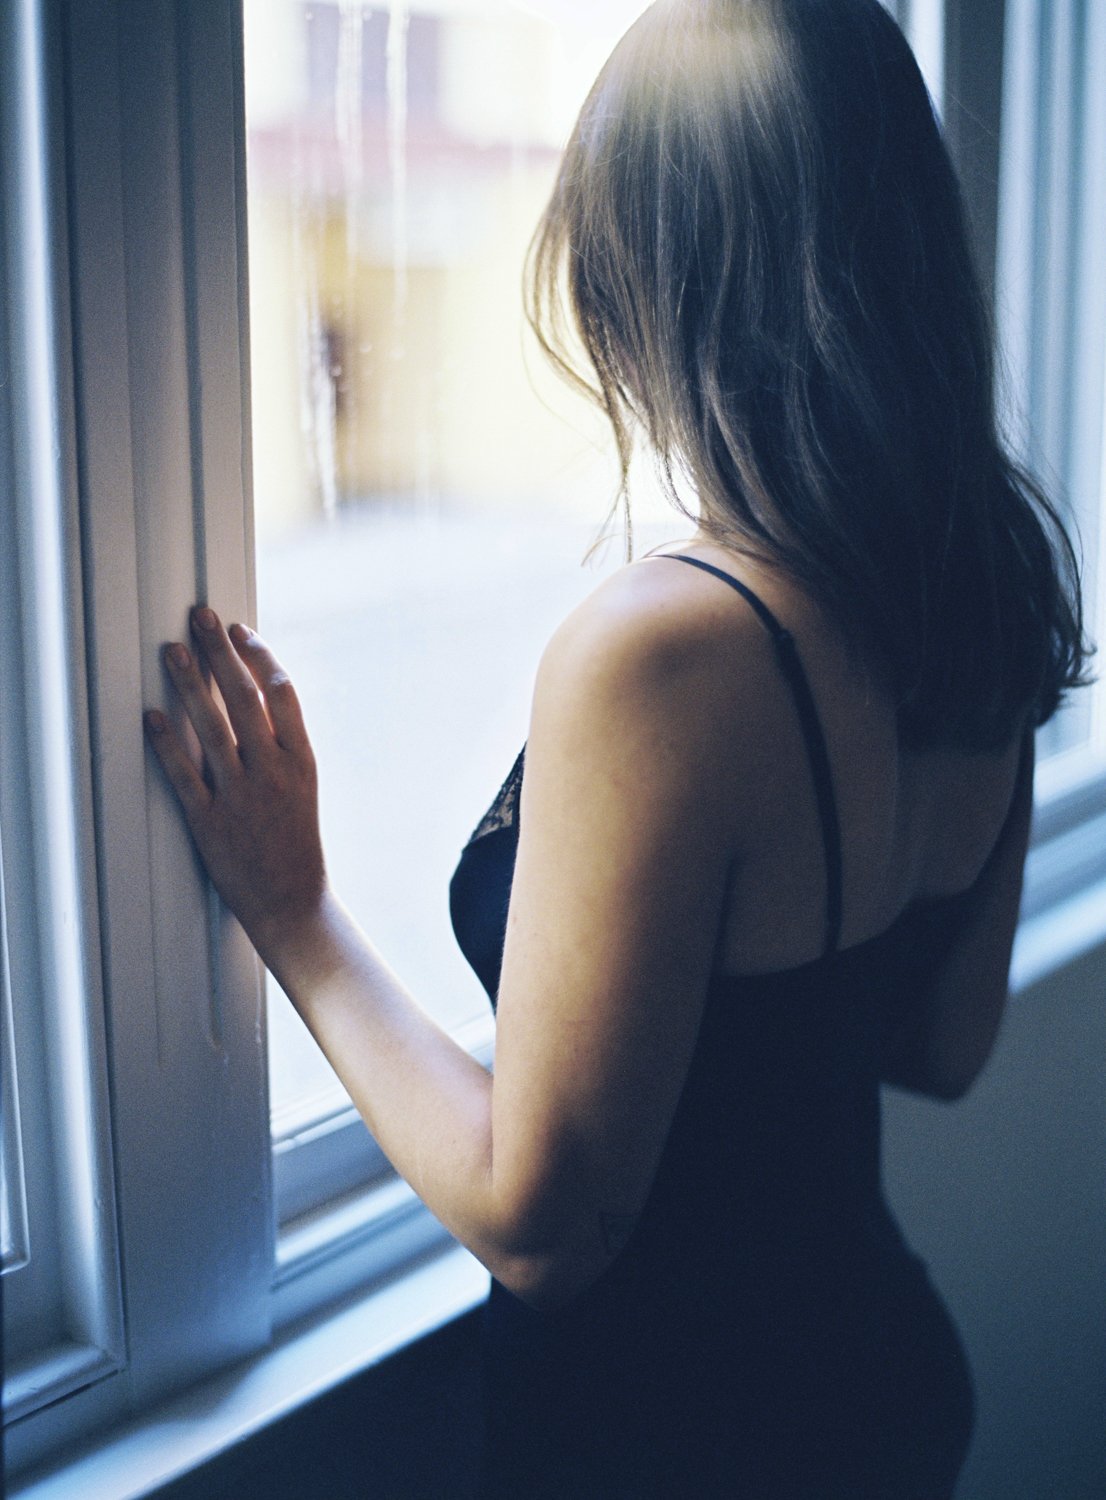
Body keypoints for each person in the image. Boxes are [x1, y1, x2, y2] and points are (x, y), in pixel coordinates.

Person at [145, 0, 1090, 1494]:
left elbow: (541, 1228)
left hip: (667, 1446)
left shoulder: (666, 656)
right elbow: (940, 1048)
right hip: (884, 1395)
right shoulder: (978, 590)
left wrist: (294, 912)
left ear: (656, 277)